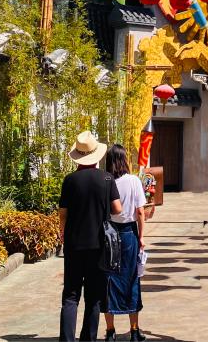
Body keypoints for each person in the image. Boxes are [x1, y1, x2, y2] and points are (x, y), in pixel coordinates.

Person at [58, 131, 122, 342]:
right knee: (93, 297)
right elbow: (117, 209)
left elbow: (63, 213)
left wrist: (61, 232)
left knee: (71, 296)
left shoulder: (70, 180)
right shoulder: (107, 178)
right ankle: (88, 339)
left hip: (74, 244)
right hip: (99, 245)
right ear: (96, 155)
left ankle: (67, 339)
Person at [103, 145, 147, 342]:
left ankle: (110, 331)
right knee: (131, 279)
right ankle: (134, 331)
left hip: (109, 234)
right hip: (129, 233)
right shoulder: (133, 181)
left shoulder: (105, 180)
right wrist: (142, 237)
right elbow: (140, 212)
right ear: (124, 160)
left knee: (109, 280)